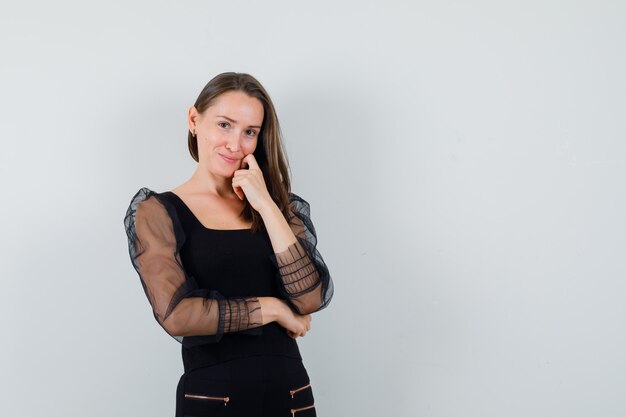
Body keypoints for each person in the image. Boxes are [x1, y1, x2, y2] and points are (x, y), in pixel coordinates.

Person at [123, 72, 334, 417]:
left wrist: (265, 203)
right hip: (212, 400)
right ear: (194, 120)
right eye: (224, 125)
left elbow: (309, 297)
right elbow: (177, 315)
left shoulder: (281, 207)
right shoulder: (158, 212)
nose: (236, 145)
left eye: (249, 132)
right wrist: (274, 309)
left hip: (291, 393)